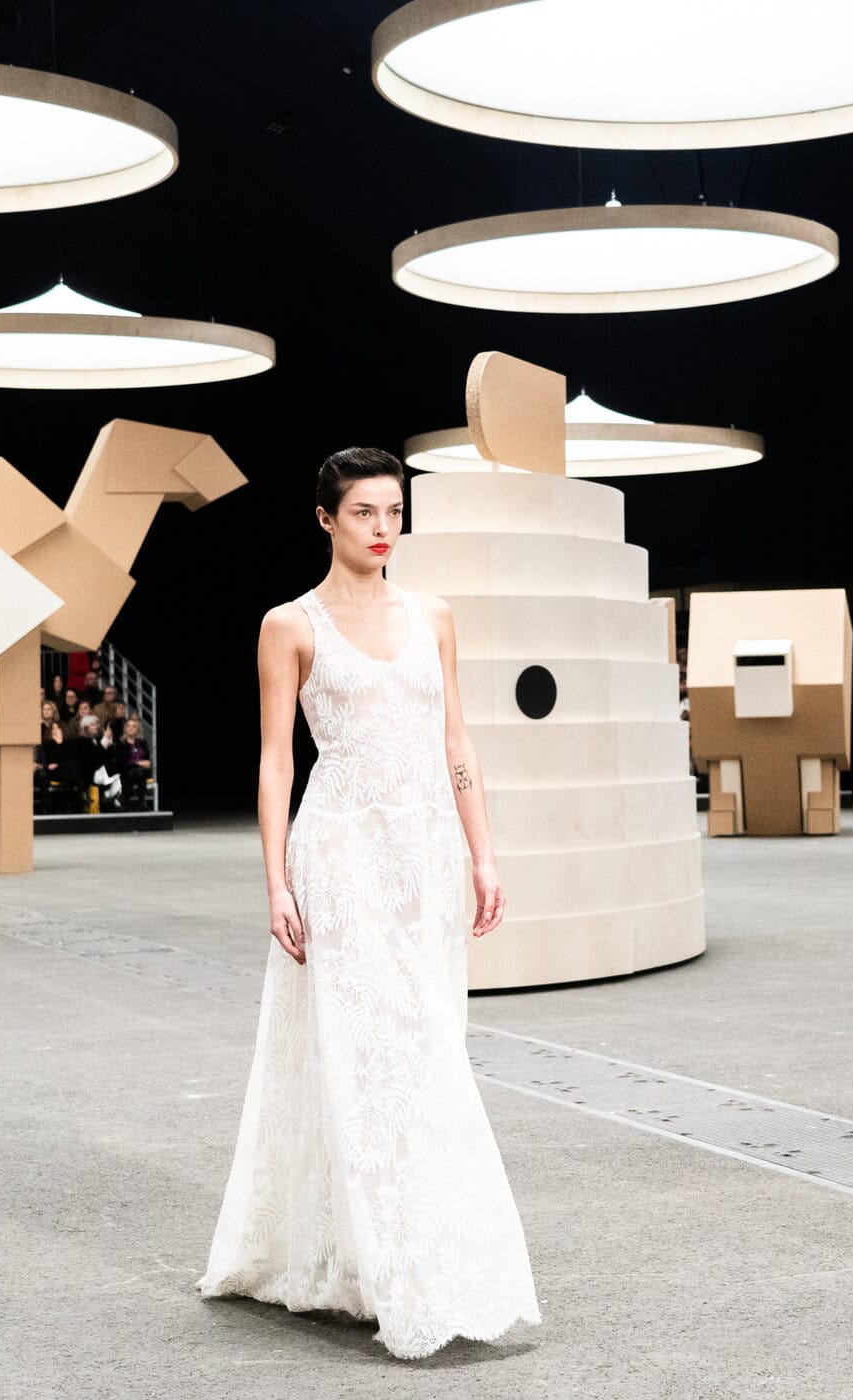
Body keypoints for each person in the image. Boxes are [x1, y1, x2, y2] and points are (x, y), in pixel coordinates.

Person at [198, 446, 539, 1357]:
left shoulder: (434, 616)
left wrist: (484, 854)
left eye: (394, 512)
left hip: (422, 857)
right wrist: (276, 879)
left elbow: (455, 740)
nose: (383, 528)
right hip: (341, 855)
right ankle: (398, 1271)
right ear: (325, 519)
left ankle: (398, 1250)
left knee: (428, 1047)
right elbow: (277, 761)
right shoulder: (290, 625)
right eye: (364, 513)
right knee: (365, 1054)